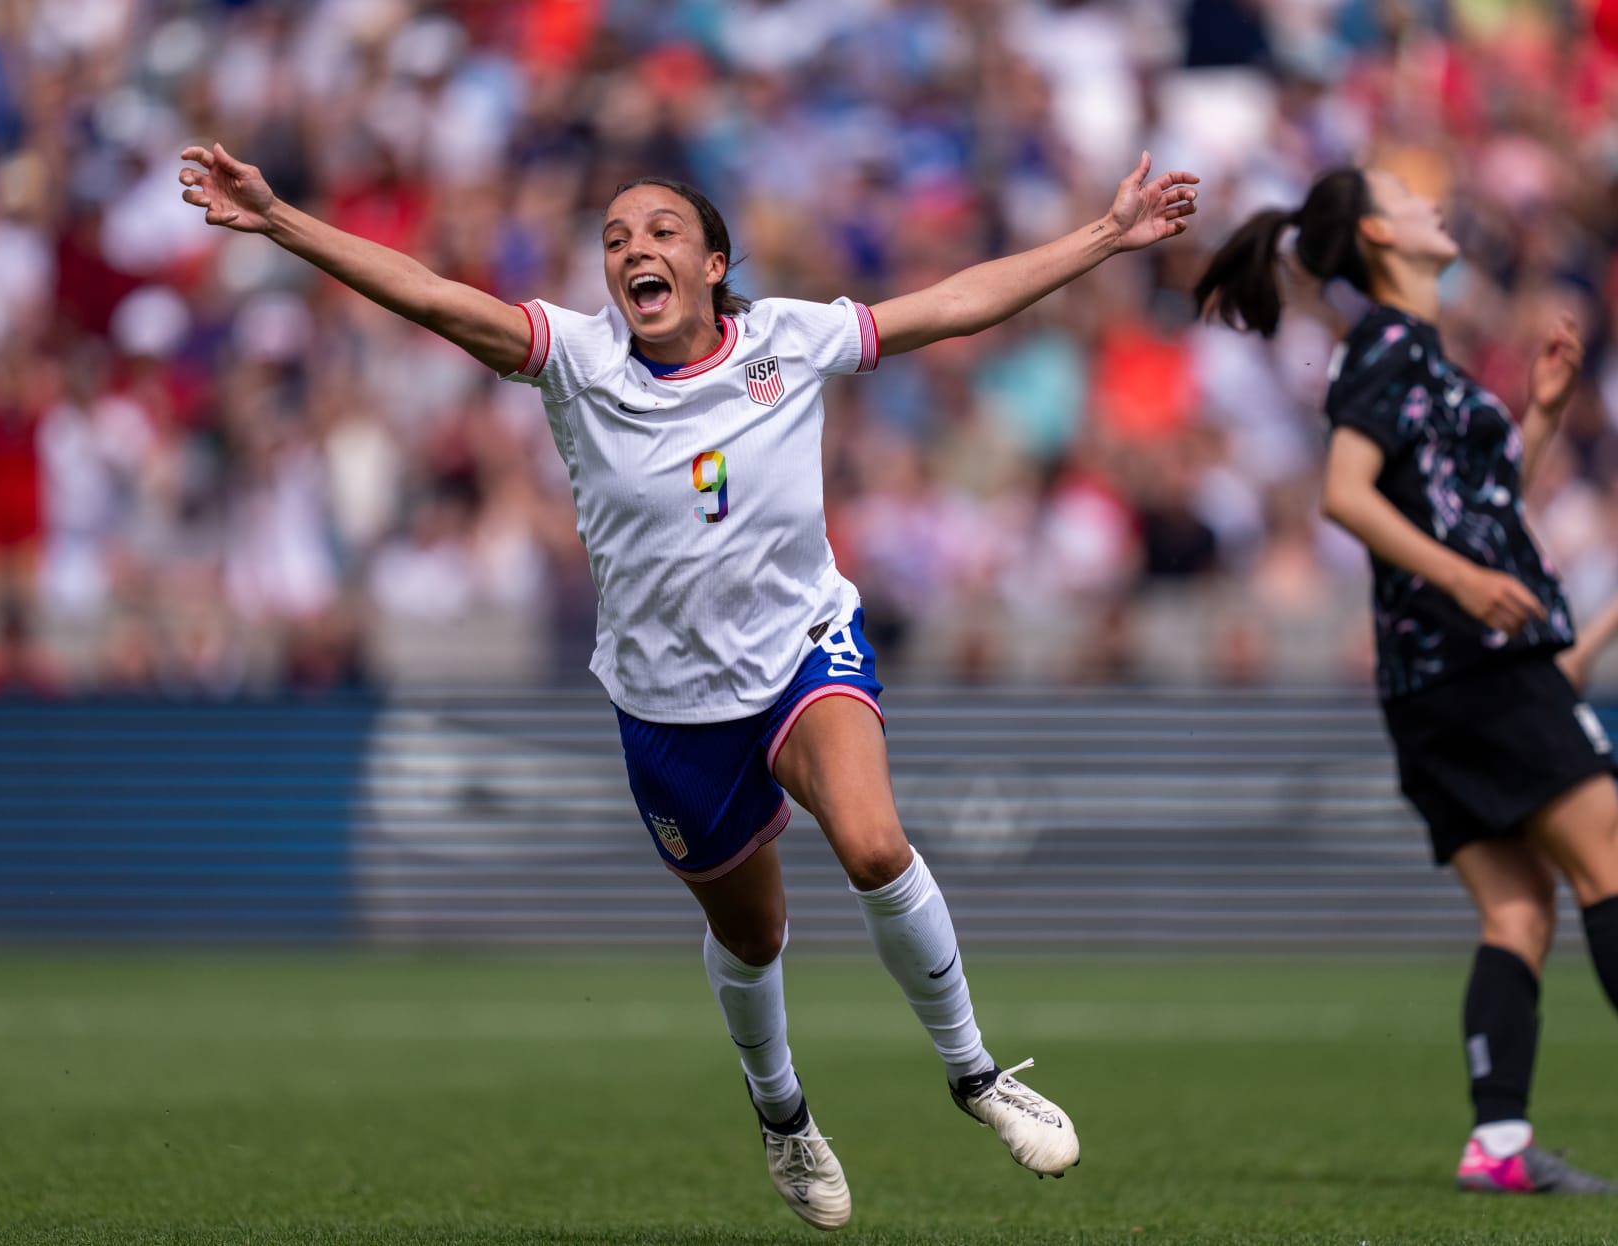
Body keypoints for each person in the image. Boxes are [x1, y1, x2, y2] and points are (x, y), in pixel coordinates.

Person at [180, 140, 1198, 1229]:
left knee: (872, 843)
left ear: (714, 263)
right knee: (754, 934)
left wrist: (1103, 235)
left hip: (805, 650)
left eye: (661, 231)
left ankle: (975, 1074)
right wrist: (281, 219)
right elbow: (430, 295)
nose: (634, 250)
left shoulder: (788, 339)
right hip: (668, 707)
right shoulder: (575, 361)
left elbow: (952, 302)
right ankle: (782, 1112)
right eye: (615, 239)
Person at [1195, 167, 1618, 1195]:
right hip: (1474, 662)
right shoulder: (1384, 348)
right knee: (1608, 861)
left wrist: (1543, 418)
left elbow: (1467, 503)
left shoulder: (1416, 354)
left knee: (1520, 909)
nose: (1437, 202)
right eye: (1411, 196)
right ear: (1382, 234)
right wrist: (1470, 582)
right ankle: (1501, 1143)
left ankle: (1500, 1145)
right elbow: (1346, 495)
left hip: (1436, 674)